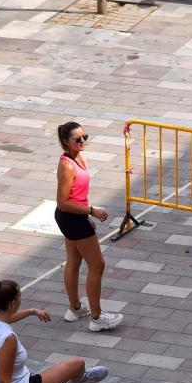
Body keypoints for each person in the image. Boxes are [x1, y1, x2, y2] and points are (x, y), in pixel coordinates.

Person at [55, 121, 123, 331]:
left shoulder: (78, 157)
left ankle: (75, 309)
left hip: (74, 218)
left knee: (73, 261)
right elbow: (63, 202)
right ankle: (97, 317)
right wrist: (91, 211)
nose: (82, 141)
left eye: (85, 137)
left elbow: (77, 195)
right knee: (97, 265)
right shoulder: (67, 165)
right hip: (71, 218)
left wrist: (85, 213)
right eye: (77, 139)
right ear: (66, 142)